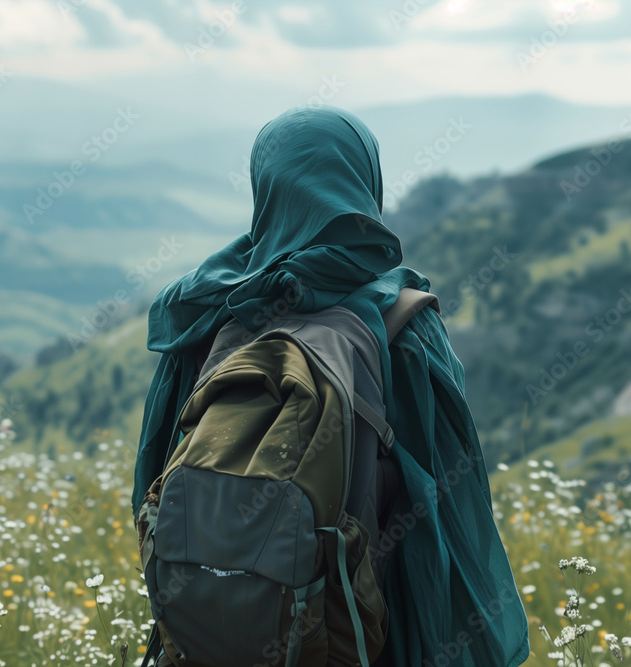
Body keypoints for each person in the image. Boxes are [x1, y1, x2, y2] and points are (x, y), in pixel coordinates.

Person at [132, 105, 529, 666]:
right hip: (357, 627)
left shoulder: (204, 313)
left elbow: (153, 481)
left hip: (209, 630)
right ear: (365, 182)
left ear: (265, 188)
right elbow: (448, 504)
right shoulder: (401, 318)